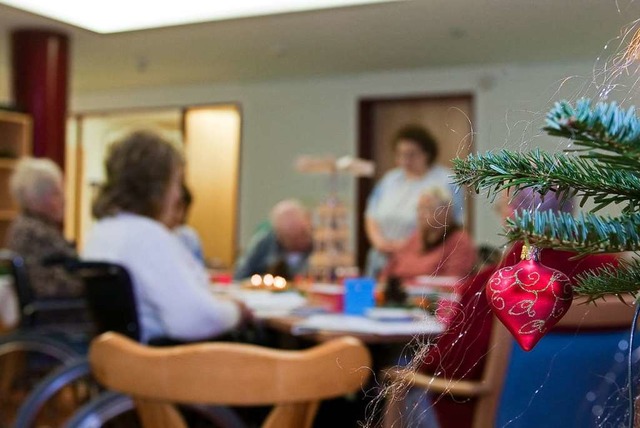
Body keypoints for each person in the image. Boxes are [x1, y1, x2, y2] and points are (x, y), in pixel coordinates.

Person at [83, 130, 251, 344]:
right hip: (168, 361)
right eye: (176, 182)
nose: (179, 194)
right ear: (156, 187)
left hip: (123, 356)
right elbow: (194, 319)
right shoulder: (146, 236)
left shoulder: (102, 232)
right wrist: (236, 311)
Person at [365, 124, 464, 278]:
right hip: (382, 254)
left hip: (423, 256)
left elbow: (452, 223)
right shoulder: (390, 179)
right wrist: (380, 243)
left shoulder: (445, 180)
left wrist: (407, 246)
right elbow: (371, 214)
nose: (404, 160)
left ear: (426, 153)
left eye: (411, 154)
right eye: (400, 154)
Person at [5, 157, 82, 299]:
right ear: (38, 198)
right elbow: (56, 287)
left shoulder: (25, 226)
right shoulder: (35, 233)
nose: (64, 199)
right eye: (57, 193)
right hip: (59, 313)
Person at [383, 185, 476, 281]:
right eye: (419, 209)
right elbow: (388, 272)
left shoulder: (460, 241)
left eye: (427, 209)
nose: (421, 215)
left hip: (428, 294)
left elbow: (453, 281)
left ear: (445, 211)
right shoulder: (415, 237)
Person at [234, 199, 313, 280]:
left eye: (302, 234)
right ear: (278, 234)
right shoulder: (264, 243)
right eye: (289, 237)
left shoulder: (322, 247)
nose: (298, 241)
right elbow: (240, 276)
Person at [165, 183, 205, 265]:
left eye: (185, 210)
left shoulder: (189, 238)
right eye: (176, 208)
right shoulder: (150, 236)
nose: (179, 216)